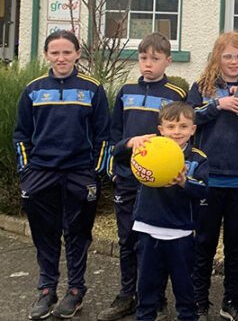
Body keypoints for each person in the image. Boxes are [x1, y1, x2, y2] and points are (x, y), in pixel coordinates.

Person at [14, 30, 111, 320]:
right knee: (45, 234)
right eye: (55, 52)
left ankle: (75, 291)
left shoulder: (92, 89)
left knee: (78, 235)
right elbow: (21, 135)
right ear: (46, 55)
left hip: (79, 173)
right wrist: (27, 170)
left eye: (67, 52)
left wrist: (95, 172)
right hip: (41, 173)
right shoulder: (33, 89)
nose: (61, 58)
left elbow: (103, 136)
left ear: (77, 54)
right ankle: (46, 290)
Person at [100, 33, 186, 321]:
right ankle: (127, 295)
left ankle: (156, 297)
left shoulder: (175, 94)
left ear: (168, 61)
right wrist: (127, 146)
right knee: (127, 240)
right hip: (127, 178)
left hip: (158, 184)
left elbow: (181, 134)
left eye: (155, 58)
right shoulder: (125, 91)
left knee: (153, 243)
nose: (148, 64)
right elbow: (114, 137)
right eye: (143, 58)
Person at [187, 31, 238, 320]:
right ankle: (199, 302)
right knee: (203, 242)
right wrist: (218, 105)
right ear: (217, 57)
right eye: (227, 55)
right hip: (209, 178)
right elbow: (188, 118)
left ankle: (231, 300)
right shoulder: (202, 87)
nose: (233, 61)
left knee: (236, 244)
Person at [123, 102, 208, 321]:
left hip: (180, 233)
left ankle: (187, 316)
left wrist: (184, 183)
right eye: (171, 127)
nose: (177, 132)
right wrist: (130, 142)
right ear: (161, 129)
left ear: (193, 129)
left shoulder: (198, 158)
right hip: (148, 228)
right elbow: (118, 154)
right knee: (147, 288)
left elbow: (204, 191)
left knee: (184, 288)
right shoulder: (148, 148)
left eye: (183, 126)